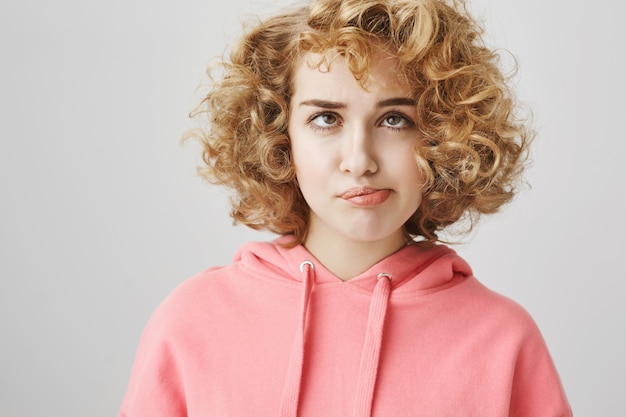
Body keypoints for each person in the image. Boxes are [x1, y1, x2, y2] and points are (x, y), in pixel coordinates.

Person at [119, 0, 572, 415]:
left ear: (440, 137)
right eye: (326, 119)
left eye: (394, 119)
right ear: (280, 137)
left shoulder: (503, 340)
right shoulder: (193, 322)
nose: (360, 161)